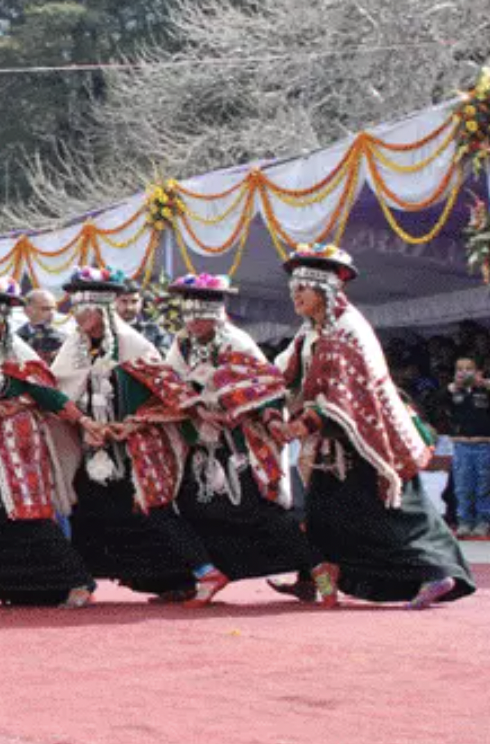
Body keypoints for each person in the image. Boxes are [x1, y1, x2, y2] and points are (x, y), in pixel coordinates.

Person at [269, 244, 475, 609]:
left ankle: (440, 575)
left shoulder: (350, 331)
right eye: (294, 288)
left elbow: (346, 398)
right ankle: (311, 579)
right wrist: (254, 396)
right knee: (321, 515)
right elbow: (281, 375)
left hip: (374, 441)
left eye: (304, 288)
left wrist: (305, 424)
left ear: (326, 291)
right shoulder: (309, 333)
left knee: (398, 515)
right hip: (337, 443)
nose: (296, 295)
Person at [49, 266, 228, 606]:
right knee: (89, 511)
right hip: (95, 448)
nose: (76, 316)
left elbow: (168, 396)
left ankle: (204, 571)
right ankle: (81, 580)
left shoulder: (134, 346)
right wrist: (86, 424)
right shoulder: (72, 349)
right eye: (74, 308)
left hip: (139, 447)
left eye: (83, 308)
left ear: (101, 309)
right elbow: (63, 393)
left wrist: (132, 424)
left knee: (152, 510)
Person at [162, 274, 337, 604]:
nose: (193, 322)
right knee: (194, 507)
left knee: (260, 512)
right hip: (202, 441)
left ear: (215, 315)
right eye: (189, 315)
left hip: (241, 442)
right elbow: (173, 385)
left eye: (200, 316)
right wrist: (198, 410)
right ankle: (206, 573)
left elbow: (268, 389)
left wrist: (235, 411)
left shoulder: (238, 343)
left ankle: (319, 569)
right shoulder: (182, 343)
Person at [0, 277, 95, 608]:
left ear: (3, 324)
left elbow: (47, 392)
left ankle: (78, 580)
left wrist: (82, 420)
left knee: (28, 515)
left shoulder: (17, 352)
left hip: (15, 445)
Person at [445, 355, 490, 536]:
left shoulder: (485, 390)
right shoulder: (453, 392)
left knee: (484, 486)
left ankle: (483, 521)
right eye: (459, 369)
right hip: (461, 445)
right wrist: (450, 389)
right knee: (463, 487)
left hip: (484, 445)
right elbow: (436, 404)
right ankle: (464, 521)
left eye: (468, 368)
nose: (464, 373)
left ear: (478, 371)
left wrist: (485, 384)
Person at [115, 280, 173, 353]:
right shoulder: (105, 330)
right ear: (115, 301)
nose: (129, 307)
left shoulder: (155, 331)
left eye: (134, 301)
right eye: (124, 301)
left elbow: (164, 357)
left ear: (141, 302)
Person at [16, 288, 70, 362]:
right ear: (27, 310)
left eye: (53, 309)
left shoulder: (63, 339)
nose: (52, 313)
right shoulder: (15, 339)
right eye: (45, 309)